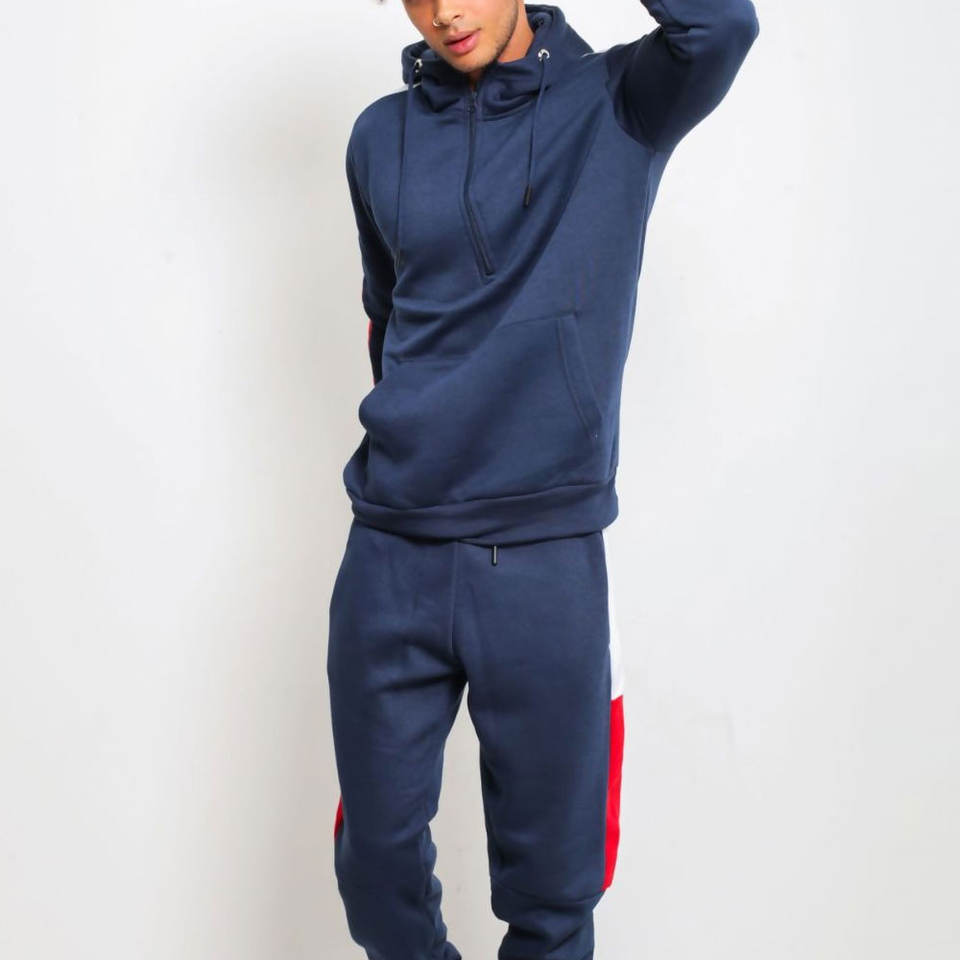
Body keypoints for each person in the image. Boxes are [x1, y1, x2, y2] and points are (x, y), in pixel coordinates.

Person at [327, 2, 759, 957]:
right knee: (376, 867)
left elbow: (722, 26)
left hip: (543, 560)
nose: (445, 12)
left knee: (555, 893)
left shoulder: (619, 102)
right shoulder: (378, 137)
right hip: (391, 551)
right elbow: (390, 317)